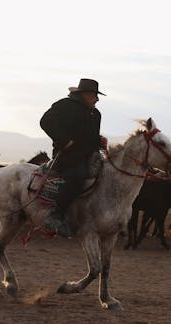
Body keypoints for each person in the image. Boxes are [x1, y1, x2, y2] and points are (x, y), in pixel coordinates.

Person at [40, 78, 108, 237]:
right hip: (67, 154)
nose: (97, 99)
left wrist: (99, 141)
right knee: (77, 175)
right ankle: (55, 216)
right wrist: (64, 141)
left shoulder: (95, 114)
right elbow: (45, 122)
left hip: (90, 154)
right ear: (85, 94)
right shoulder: (64, 105)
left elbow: (90, 136)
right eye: (94, 95)